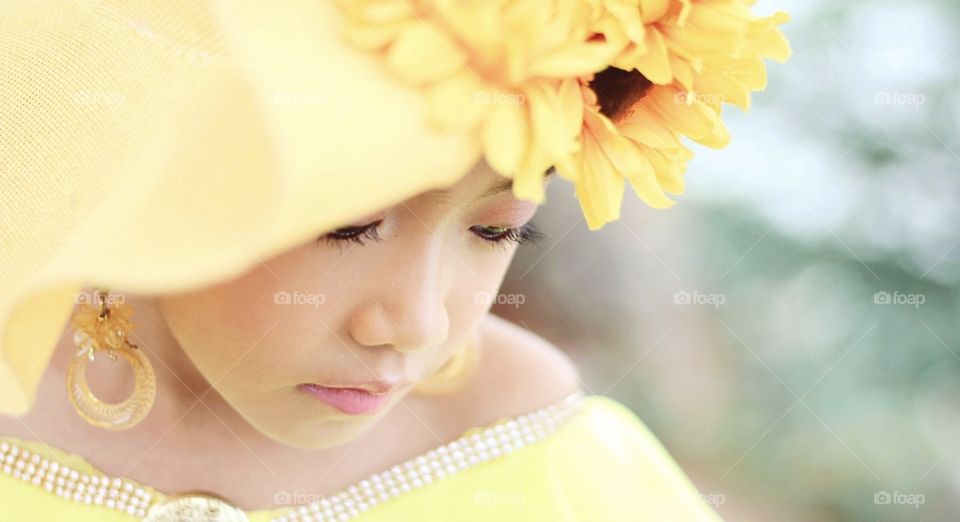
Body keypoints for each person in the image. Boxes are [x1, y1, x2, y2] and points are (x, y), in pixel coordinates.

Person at [0, 1, 790, 520]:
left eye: (496, 233)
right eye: (346, 227)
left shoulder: (560, 473)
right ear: (168, 160)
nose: (413, 324)